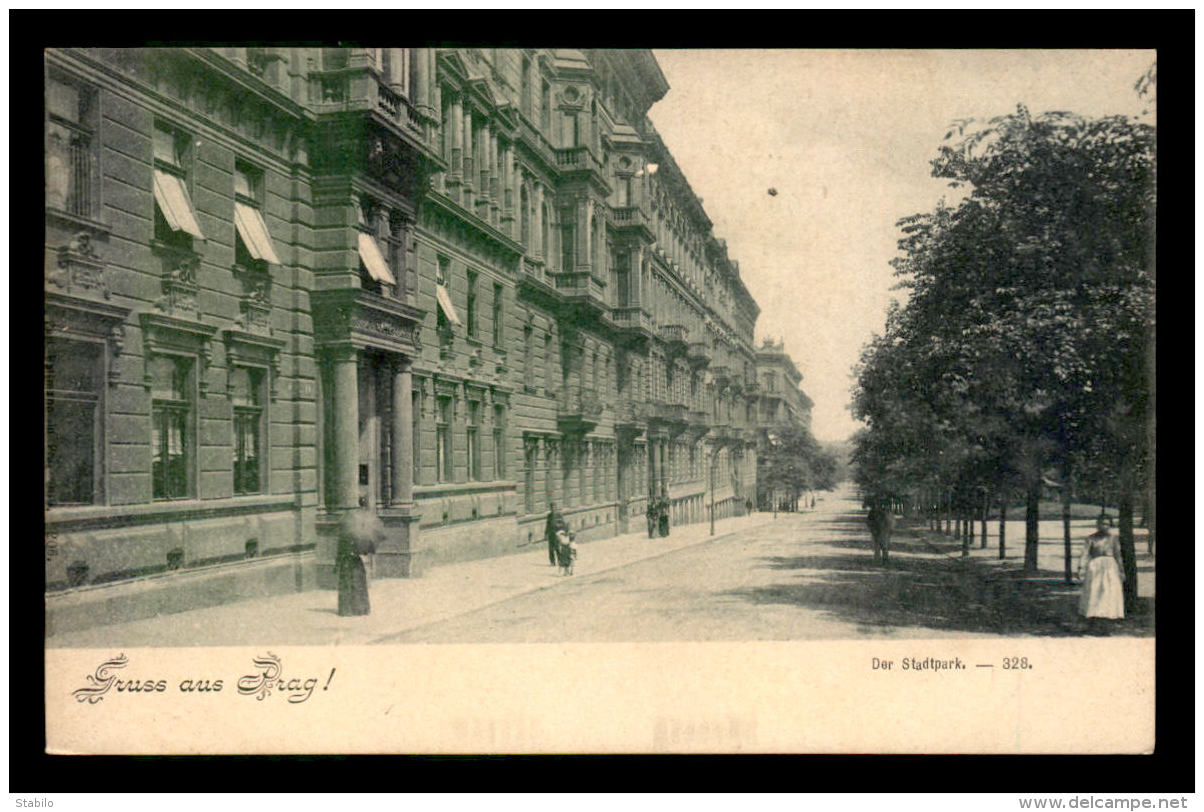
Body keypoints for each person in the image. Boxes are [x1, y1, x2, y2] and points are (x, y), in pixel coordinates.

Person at [336, 496, 386, 616]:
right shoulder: (366, 522)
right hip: (356, 560)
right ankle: (360, 609)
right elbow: (364, 545)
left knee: (346, 583)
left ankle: (346, 609)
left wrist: (337, 560)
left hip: (345, 558)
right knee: (358, 583)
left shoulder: (349, 521)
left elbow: (340, 544)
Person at [1077, 517, 1125, 628]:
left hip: (1110, 566)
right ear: (1097, 524)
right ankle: (1093, 618)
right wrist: (1081, 567)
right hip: (1095, 565)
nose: (1104, 526)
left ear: (1110, 525)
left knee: (1109, 591)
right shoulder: (1091, 538)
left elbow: (1118, 555)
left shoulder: (1113, 538)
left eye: (1107, 524)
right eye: (1101, 523)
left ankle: (1108, 619)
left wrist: (1121, 570)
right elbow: (1084, 554)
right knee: (1094, 590)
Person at [866, 498, 894, 566]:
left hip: (883, 530)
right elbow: (868, 522)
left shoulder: (884, 512)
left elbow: (890, 522)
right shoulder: (873, 512)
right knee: (880, 545)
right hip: (878, 530)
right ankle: (880, 560)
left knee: (882, 545)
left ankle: (882, 559)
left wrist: (889, 529)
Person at [545, 500, 568, 567]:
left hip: (557, 533)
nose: (553, 509)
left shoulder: (559, 514)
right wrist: (546, 533)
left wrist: (562, 531)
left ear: (556, 508)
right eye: (551, 507)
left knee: (557, 547)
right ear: (550, 508)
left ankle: (560, 561)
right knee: (550, 549)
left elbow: (563, 523)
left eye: (554, 507)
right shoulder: (549, 515)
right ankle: (552, 562)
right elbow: (547, 524)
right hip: (551, 534)